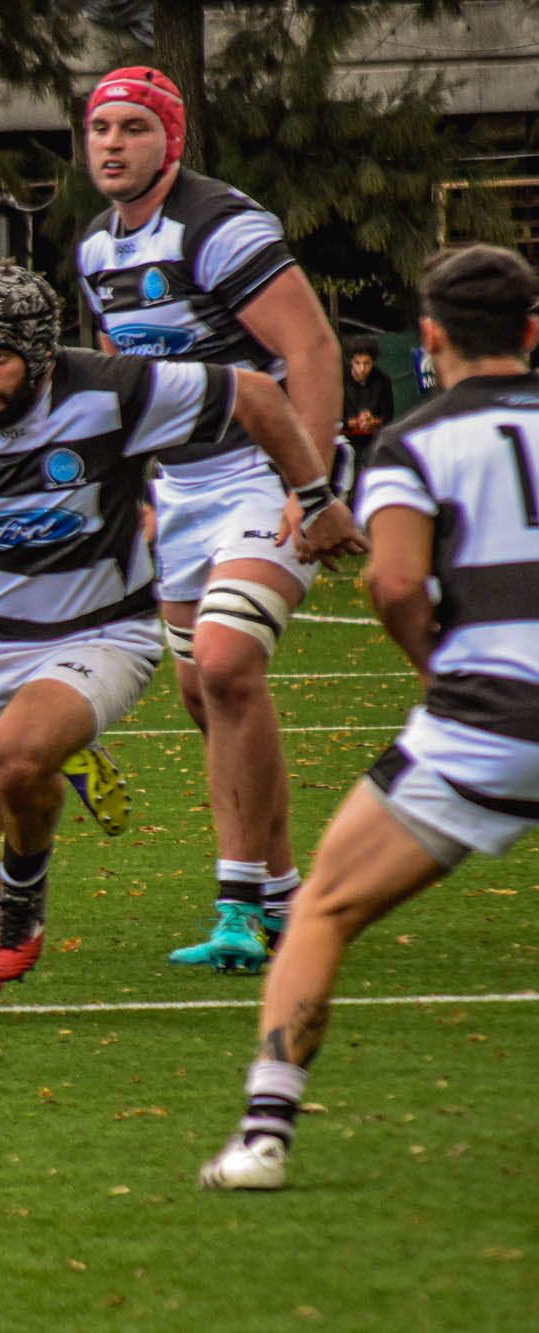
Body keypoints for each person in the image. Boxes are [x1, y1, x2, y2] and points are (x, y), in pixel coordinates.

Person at [0, 264, 363, 1019]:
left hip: (104, 631)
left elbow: (256, 394)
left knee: (21, 758)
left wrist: (314, 495)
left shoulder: (114, 389)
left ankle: (25, 893)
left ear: (42, 355)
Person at [200, 244, 539, 1190]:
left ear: (428, 339)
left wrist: (435, 664)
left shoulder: (417, 444)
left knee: (324, 910)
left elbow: (393, 582)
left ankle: (266, 1134)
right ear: (533, 331)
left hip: (484, 725)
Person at [77, 67, 346, 971]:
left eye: (132, 129)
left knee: (228, 664)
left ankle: (237, 904)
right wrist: (141, 494)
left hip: (266, 470)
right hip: (185, 491)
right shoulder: (95, 252)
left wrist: (309, 487)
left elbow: (308, 346)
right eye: (99, 129)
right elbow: (130, 382)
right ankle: (282, 893)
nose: (112, 145)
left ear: (172, 141)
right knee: (206, 694)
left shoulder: (222, 226)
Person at [340, 334, 394, 485]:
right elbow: (332, 420)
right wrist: (355, 423)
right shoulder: (338, 380)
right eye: (357, 363)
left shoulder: (382, 381)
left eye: (367, 363)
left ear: (373, 362)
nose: (362, 368)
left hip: (372, 441)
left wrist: (373, 422)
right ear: (351, 361)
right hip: (344, 441)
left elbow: (388, 417)